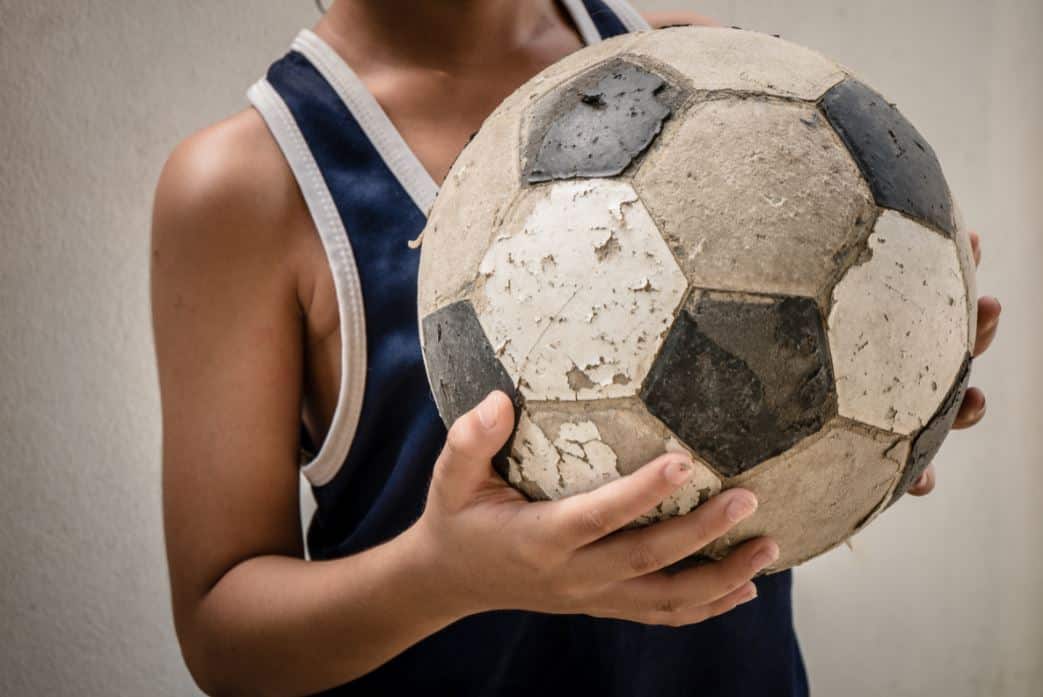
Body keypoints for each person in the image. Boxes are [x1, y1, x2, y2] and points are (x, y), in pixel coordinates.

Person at [150, 1, 1002, 695]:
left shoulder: (698, 60)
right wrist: (442, 575)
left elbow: (799, 438)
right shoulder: (250, 184)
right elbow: (226, 637)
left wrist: (881, 416)